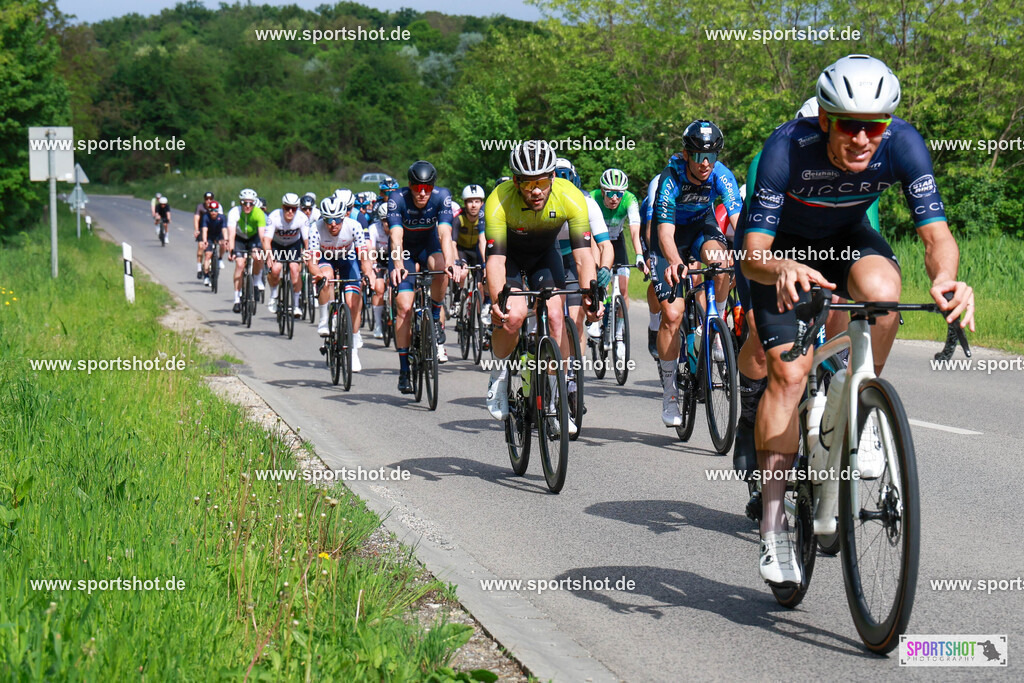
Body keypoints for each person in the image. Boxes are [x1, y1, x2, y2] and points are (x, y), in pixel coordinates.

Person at [740, 54, 973, 587]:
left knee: (884, 293)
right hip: (781, 254)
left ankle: (859, 400)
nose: (863, 139)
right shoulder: (786, 148)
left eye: (874, 126)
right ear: (825, 119)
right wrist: (781, 265)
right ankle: (774, 529)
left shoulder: (903, 143)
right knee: (790, 375)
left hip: (846, 240)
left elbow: (936, 237)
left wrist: (945, 279)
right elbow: (751, 253)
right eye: (850, 125)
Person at [483, 141, 601, 435]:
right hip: (509, 258)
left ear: (553, 177)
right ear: (515, 181)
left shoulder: (570, 197)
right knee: (513, 317)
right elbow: (496, 261)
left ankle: (555, 398)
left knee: (557, 316)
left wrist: (592, 296)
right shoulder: (499, 200)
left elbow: (584, 256)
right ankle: (498, 374)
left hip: (544, 258)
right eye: (527, 183)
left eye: (542, 182)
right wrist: (498, 301)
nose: (536, 191)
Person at [650, 120, 742, 427]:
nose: (705, 163)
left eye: (712, 157)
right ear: (686, 154)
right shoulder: (671, 179)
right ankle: (669, 390)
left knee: (723, 261)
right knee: (673, 316)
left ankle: (715, 326)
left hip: (701, 229)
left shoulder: (721, 175)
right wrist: (675, 261)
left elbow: (737, 219)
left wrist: (751, 253)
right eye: (699, 156)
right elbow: (664, 232)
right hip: (670, 237)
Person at [388, 161, 460, 392]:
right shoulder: (397, 198)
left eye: (426, 188)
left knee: (441, 268)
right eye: (417, 187)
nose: (421, 193)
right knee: (404, 307)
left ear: (432, 187)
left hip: (428, 245)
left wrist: (451, 264)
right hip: (405, 251)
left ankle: (436, 316)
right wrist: (398, 264)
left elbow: (445, 233)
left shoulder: (442, 197)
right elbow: (396, 237)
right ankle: (403, 370)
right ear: (409, 186)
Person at [309, 193, 376, 371]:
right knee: (326, 276)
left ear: (344, 216)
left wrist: (368, 273)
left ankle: (353, 350)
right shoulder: (315, 228)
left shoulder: (354, 226)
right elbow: (312, 262)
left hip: (348, 258)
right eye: (328, 220)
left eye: (337, 220)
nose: (333, 224)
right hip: (326, 258)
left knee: (353, 301)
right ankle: (324, 320)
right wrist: (318, 275)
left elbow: (364, 257)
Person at [262, 193, 310, 317]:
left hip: (293, 244)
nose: (290, 211)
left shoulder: (302, 218)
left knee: (295, 269)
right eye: (287, 208)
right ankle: (273, 296)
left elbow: (307, 240)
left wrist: (307, 253)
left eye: (293, 208)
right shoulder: (274, 217)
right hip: (277, 245)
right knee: (276, 269)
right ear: (282, 207)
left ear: (297, 208)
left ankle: (295, 305)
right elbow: (266, 240)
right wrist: (269, 255)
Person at [225, 188, 267, 313]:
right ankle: (237, 299)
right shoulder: (234, 212)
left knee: (258, 256)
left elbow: (262, 236)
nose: (247, 206)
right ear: (240, 202)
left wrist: (266, 252)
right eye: (244, 203)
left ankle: (256, 281)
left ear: (254, 203)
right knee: (239, 264)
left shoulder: (259, 213)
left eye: (251, 203)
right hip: (239, 238)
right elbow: (231, 234)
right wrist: (231, 250)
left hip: (254, 238)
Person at [199, 201, 227, 286]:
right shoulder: (206, 217)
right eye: (211, 210)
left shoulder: (222, 217)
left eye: (215, 210)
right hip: (209, 236)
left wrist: (226, 239)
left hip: (218, 235)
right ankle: (206, 276)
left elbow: (224, 229)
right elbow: (204, 230)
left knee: (223, 244)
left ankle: (220, 258)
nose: (213, 212)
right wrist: (204, 241)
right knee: (207, 255)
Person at [193, 191, 215, 280]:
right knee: (201, 247)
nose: (208, 201)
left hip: (213, 229)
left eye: (210, 199)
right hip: (203, 229)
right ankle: (199, 269)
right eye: (207, 199)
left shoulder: (216, 206)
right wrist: (196, 230)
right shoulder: (200, 207)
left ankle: (215, 263)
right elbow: (196, 218)